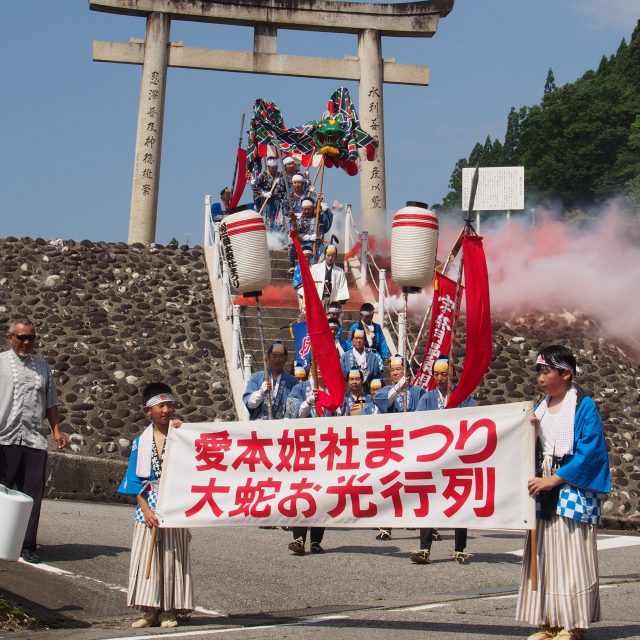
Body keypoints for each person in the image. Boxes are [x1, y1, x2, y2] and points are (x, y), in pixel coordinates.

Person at [516, 346, 610, 640]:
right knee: (546, 554)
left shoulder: (583, 406)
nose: (540, 377)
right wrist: (528, 431)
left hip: (570, 488)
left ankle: (574, 624)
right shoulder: (540, 408)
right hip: (545, 486)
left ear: (565, 374)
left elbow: (591, 452)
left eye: (546, 371)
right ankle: (551, 621)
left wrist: (554, 480)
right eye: (539, 371)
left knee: (572, 555)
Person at [117, 383, 192, 629]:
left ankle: (169, 610)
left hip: (173, 504)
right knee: (145, 557)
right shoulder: (141, 442)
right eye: (161, 405)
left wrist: (182, 433)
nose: (167, 410)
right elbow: (135, 482)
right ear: (147, 410)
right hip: (148, 504)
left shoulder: (180, 435)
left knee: (172, 557)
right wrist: (147, 510)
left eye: (170, 405)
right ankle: (150, 609)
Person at [0, 319, 66, 564]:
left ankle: (27, 544)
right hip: (4, 437)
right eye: (22, 337)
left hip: (33, 439)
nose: (27, 342)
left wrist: (56, 431)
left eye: (31, 338)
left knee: (31, 496)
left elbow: (51, 402)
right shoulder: (1, 363)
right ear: (10, 337)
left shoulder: (43, 366)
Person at [410, 357, 476, 565]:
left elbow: (475, 420)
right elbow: (418, 424)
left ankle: (459, 548)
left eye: (444, 374)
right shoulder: (426, 399)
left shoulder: (464, 398)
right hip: (434, 457)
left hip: (457, 457)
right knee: (428, 502)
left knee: (459, 500)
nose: (439, 378)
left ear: (452, 374)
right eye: (436, 374)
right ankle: (424, 549)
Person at [243, 343, 299, 420]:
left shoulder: (292, 381)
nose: (277, 359)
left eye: (281, 356)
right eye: (274, 356)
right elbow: (250, 404)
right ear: (268, 358)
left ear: (286, 359)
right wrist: (261, 393)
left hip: (282, 425)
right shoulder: (257, 377)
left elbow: (293, 407)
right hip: (260, 424)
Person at [310, 245, 349, 309]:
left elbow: (342, 288)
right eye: (328, 255)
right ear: (325, 255)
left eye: (333, 256)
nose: (330, 258)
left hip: (333, 304)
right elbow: (309, 286)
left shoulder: (340, 271)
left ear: (336, 257)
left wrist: (337, 303)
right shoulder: (315, 268)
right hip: (317, 302)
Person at [252, 158, 283, 230]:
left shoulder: (280, 175)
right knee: (268, 220)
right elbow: (255, 186)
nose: (275, 170)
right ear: (268, 167)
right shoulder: (263, 175)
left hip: (278, 201)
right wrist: (263, 194)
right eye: (273, 168)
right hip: (267, 201)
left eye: (276, 168)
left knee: (278, 220)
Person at [292, 244, 314, 310]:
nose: (307, 259)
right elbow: (296, 283)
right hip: (302, 292)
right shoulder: (297, 268)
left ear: (311, 257)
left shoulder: (314, 268)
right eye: (305, 257)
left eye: (309, 257)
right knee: (303, 311)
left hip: (312, 293)